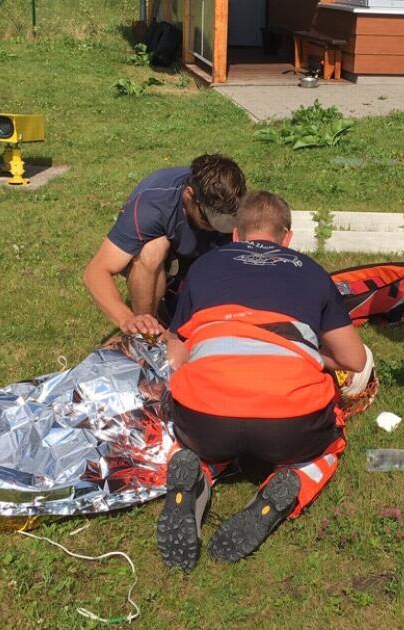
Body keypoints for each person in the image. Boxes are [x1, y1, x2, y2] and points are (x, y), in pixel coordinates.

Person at [157, 191, 368, 571]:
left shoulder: (203, 267)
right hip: (289, 423)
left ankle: (196, 474)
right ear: (287, 237)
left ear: (235, 235)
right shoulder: (312, 271)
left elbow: (177, 353)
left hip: (207, 418)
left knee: (195, 432)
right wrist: (308, 350)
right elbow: (354, 359)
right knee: (329, 443)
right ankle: (292, 484)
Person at [83, 154, 246, 337]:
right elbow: (96, 271)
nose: (216, 227)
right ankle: (146, 332)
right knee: (152, 251)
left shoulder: (231, 200)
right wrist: (128, 319)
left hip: (201, 256)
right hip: (169, 254)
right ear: (189, 195)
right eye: (209, 220)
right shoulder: (152, 207)